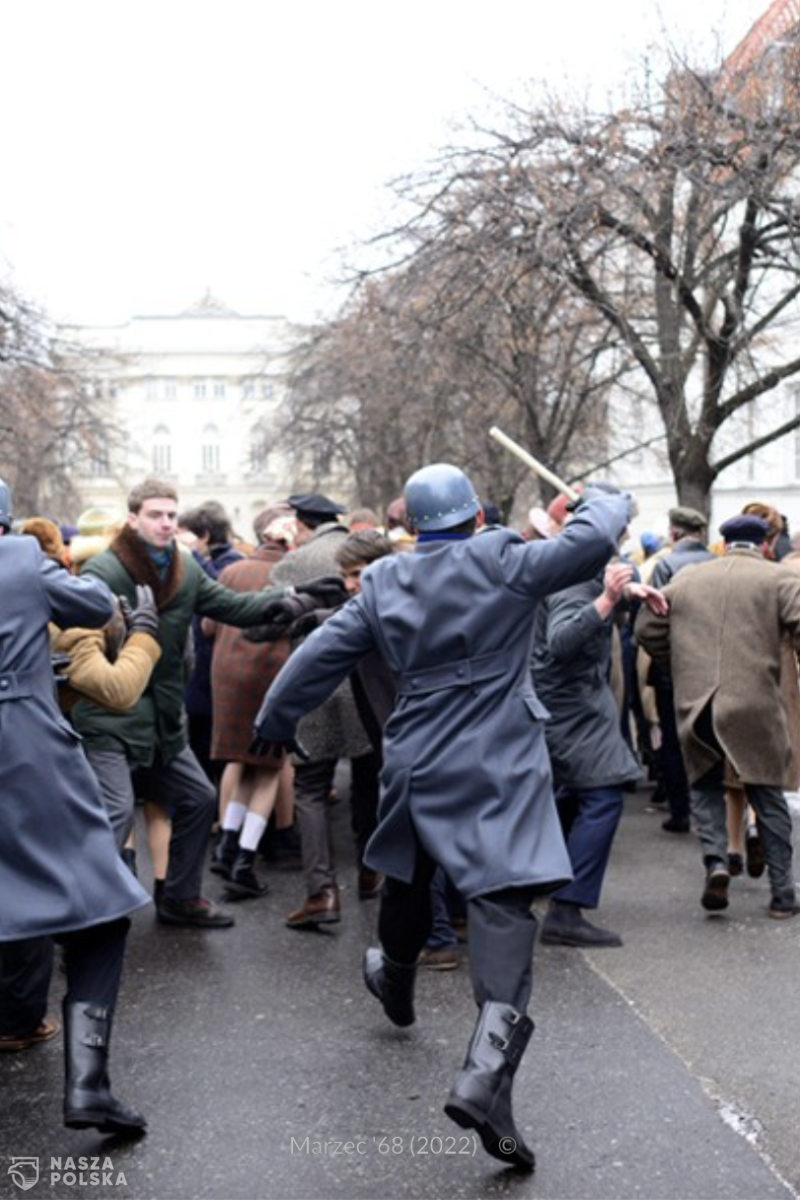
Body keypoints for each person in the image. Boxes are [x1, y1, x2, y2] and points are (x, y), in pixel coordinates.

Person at [252, 462, 632, 1171]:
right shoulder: (506, 561)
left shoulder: (385, 581)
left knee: (409, 872)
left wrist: (275, 720)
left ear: (412, 528)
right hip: (500, 761)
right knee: (503, 906)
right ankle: (484, 1075)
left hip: (417, 756)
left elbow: (320, 654)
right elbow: (594, 536)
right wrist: (605, 498)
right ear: (477, 518)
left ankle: (397, 981)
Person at [73, 477, 328, 930]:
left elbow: (232, 607)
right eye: (155, 514)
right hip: (110, 717)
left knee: (198, 798)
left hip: (163, 721)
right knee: (114, 814)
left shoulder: (185, 568)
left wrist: (296, 597)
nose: (166, 523)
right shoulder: (104, 572)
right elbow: (79, 643)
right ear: (133, 520)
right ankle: (82, 919)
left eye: (172, 515)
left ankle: (179, 898)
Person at [0, 477, 150, 1132]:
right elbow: (91, 605)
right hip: (25, 754)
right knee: (99, 911)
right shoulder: (18, 558)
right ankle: (89, 1086)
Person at [636, 513, 800, 919]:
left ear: (723, 544)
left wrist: (680, 663)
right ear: (764, 545)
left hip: (698, 703)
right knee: (766, 793)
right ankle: (782, 894)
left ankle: (716, 863)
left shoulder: (688, 579)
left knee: (706, 786)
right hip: (755, 703)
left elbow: (648, 628)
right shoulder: (779, 579)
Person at [531, 536, 666, 948]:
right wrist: (608, 599)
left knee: (572, 793)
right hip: (571, 709)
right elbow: (562, 641)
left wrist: (625, 592)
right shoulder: (574, 583)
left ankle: (538, 879)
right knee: (602, 795)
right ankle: (565, 910)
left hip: (567, 706)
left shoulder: (569, 570)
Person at [266, 492, 378, 928]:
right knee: (367, 782)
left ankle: (321, 892)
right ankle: (370, 871)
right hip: (365, 683)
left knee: (311, 788)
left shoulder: (292, 564)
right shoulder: (363, 553)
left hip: (313, 684)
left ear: (301, 524)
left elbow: (264, 624)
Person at [645, 506, 716, 834]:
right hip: (711, 667)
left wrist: (665, 661)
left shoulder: (666, 565)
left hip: (673, 668)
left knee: (673, 743)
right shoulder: (716, 564)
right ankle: (711, 816)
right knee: (709, 739)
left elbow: (654, 620)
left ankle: (681, 812)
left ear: (674, 533)